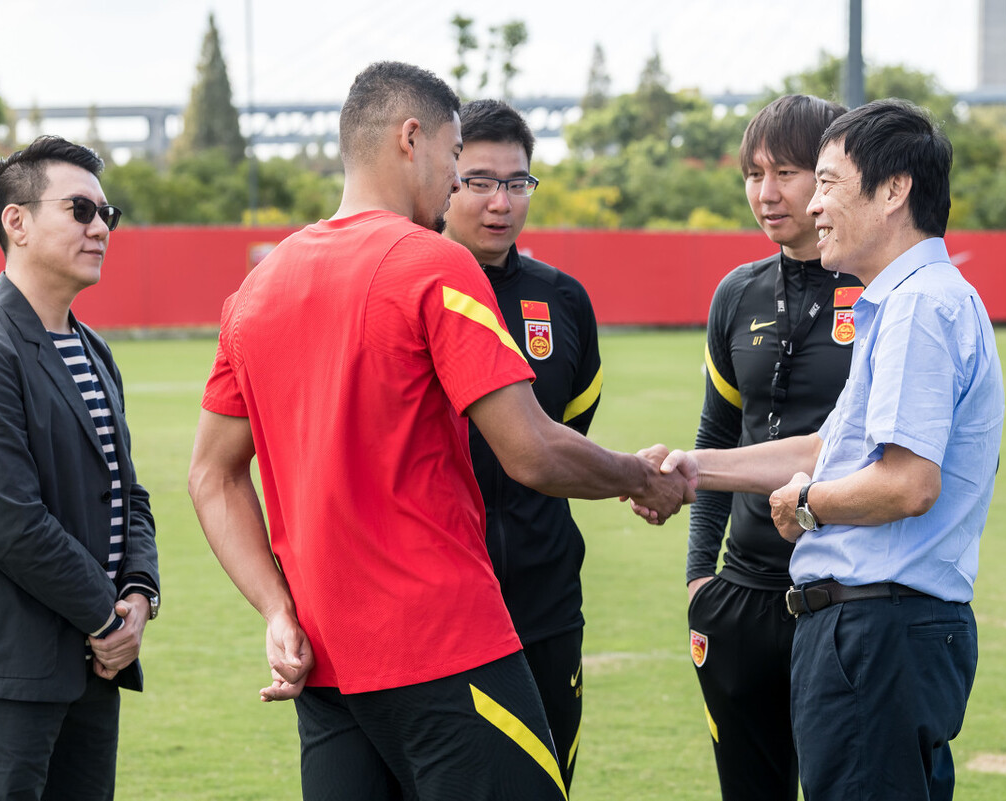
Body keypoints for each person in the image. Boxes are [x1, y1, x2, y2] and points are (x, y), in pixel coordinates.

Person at [187, 61, 690, 801]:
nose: (458, 183)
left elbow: (211, 473)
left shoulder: (257, 288)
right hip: (444, 647)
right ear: (411, 139)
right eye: (457, 159)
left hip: (326, 660)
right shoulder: (436, 263)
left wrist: (276, 609)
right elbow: (533, 450)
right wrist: (641, 478)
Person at [643, 99, 1004, 800]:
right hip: (873, 629)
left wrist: (806, 504)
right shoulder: (904, 300)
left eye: (827, 182)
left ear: (894, 189)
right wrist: (695, 470)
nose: (813, 207)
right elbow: (824, 445)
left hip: (877, 630)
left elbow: (906, 483)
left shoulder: (919, 308)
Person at [0, 135, 160, 800]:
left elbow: (127, 492)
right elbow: (8, 521)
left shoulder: (92, 348)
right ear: (18, 221)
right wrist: (107, 619)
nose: (100, 228)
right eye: (81, 210)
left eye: (107, 214)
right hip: (9, 664)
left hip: (94, 659)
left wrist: (140, 594)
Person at [685, 94, 854, 801]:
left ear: (829, 175)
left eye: (785, 171)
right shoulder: (737, 293)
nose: (766, 192)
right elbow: (717, 436)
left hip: (844, 596)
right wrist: (699, 583)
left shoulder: (880, 291)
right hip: (741, 597)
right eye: (753, 174)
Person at [443, 98, 599, 793]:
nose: (500, 201)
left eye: (517, 182)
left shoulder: (562, 298)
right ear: (444, 178)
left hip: (545, 598)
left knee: (547, 783)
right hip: (443, 601)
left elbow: (566, 439)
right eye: (478, 180)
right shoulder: (405, 286)